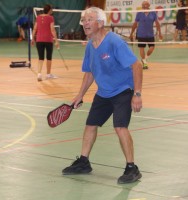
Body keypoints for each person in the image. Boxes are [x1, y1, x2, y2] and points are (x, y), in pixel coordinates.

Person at [61, 7, 143, 184]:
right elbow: (90, 72)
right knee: (91, 125)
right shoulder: (90, 45)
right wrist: (79, 95)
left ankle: (132, 168)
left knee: (120, 127)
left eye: (90, 19)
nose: (85, 23)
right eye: (84, 20)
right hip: (104, 92)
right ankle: (84, 162)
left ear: (100, 23)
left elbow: (136, 66)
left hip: (122, 91)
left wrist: (137, 93)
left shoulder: (115, 42)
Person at [130, 0, 163, 70]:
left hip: (150, 34)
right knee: (141, 48)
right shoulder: (139, 13)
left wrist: (160, 33)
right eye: (144, 4)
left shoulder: (153, 13)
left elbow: (157, 23)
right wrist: (131, 33)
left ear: (149, 5)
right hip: (141, 34)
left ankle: (145, 58)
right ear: (142, 6)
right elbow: (135, 24)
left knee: (152, 47)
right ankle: (144, 62)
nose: (145, 5)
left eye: (147, 4)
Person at [31, 4, 59, 81]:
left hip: (39, 40)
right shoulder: (50, 18)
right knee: (49, 58)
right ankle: (48, 74)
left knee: (40, 58)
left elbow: (34, 28)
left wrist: (32, 38)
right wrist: (56, 40)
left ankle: (39, 74)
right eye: (51, 9)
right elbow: (52, 30)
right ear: (49, 10)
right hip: (48, 40)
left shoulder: (38, 17)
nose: (52, 11)